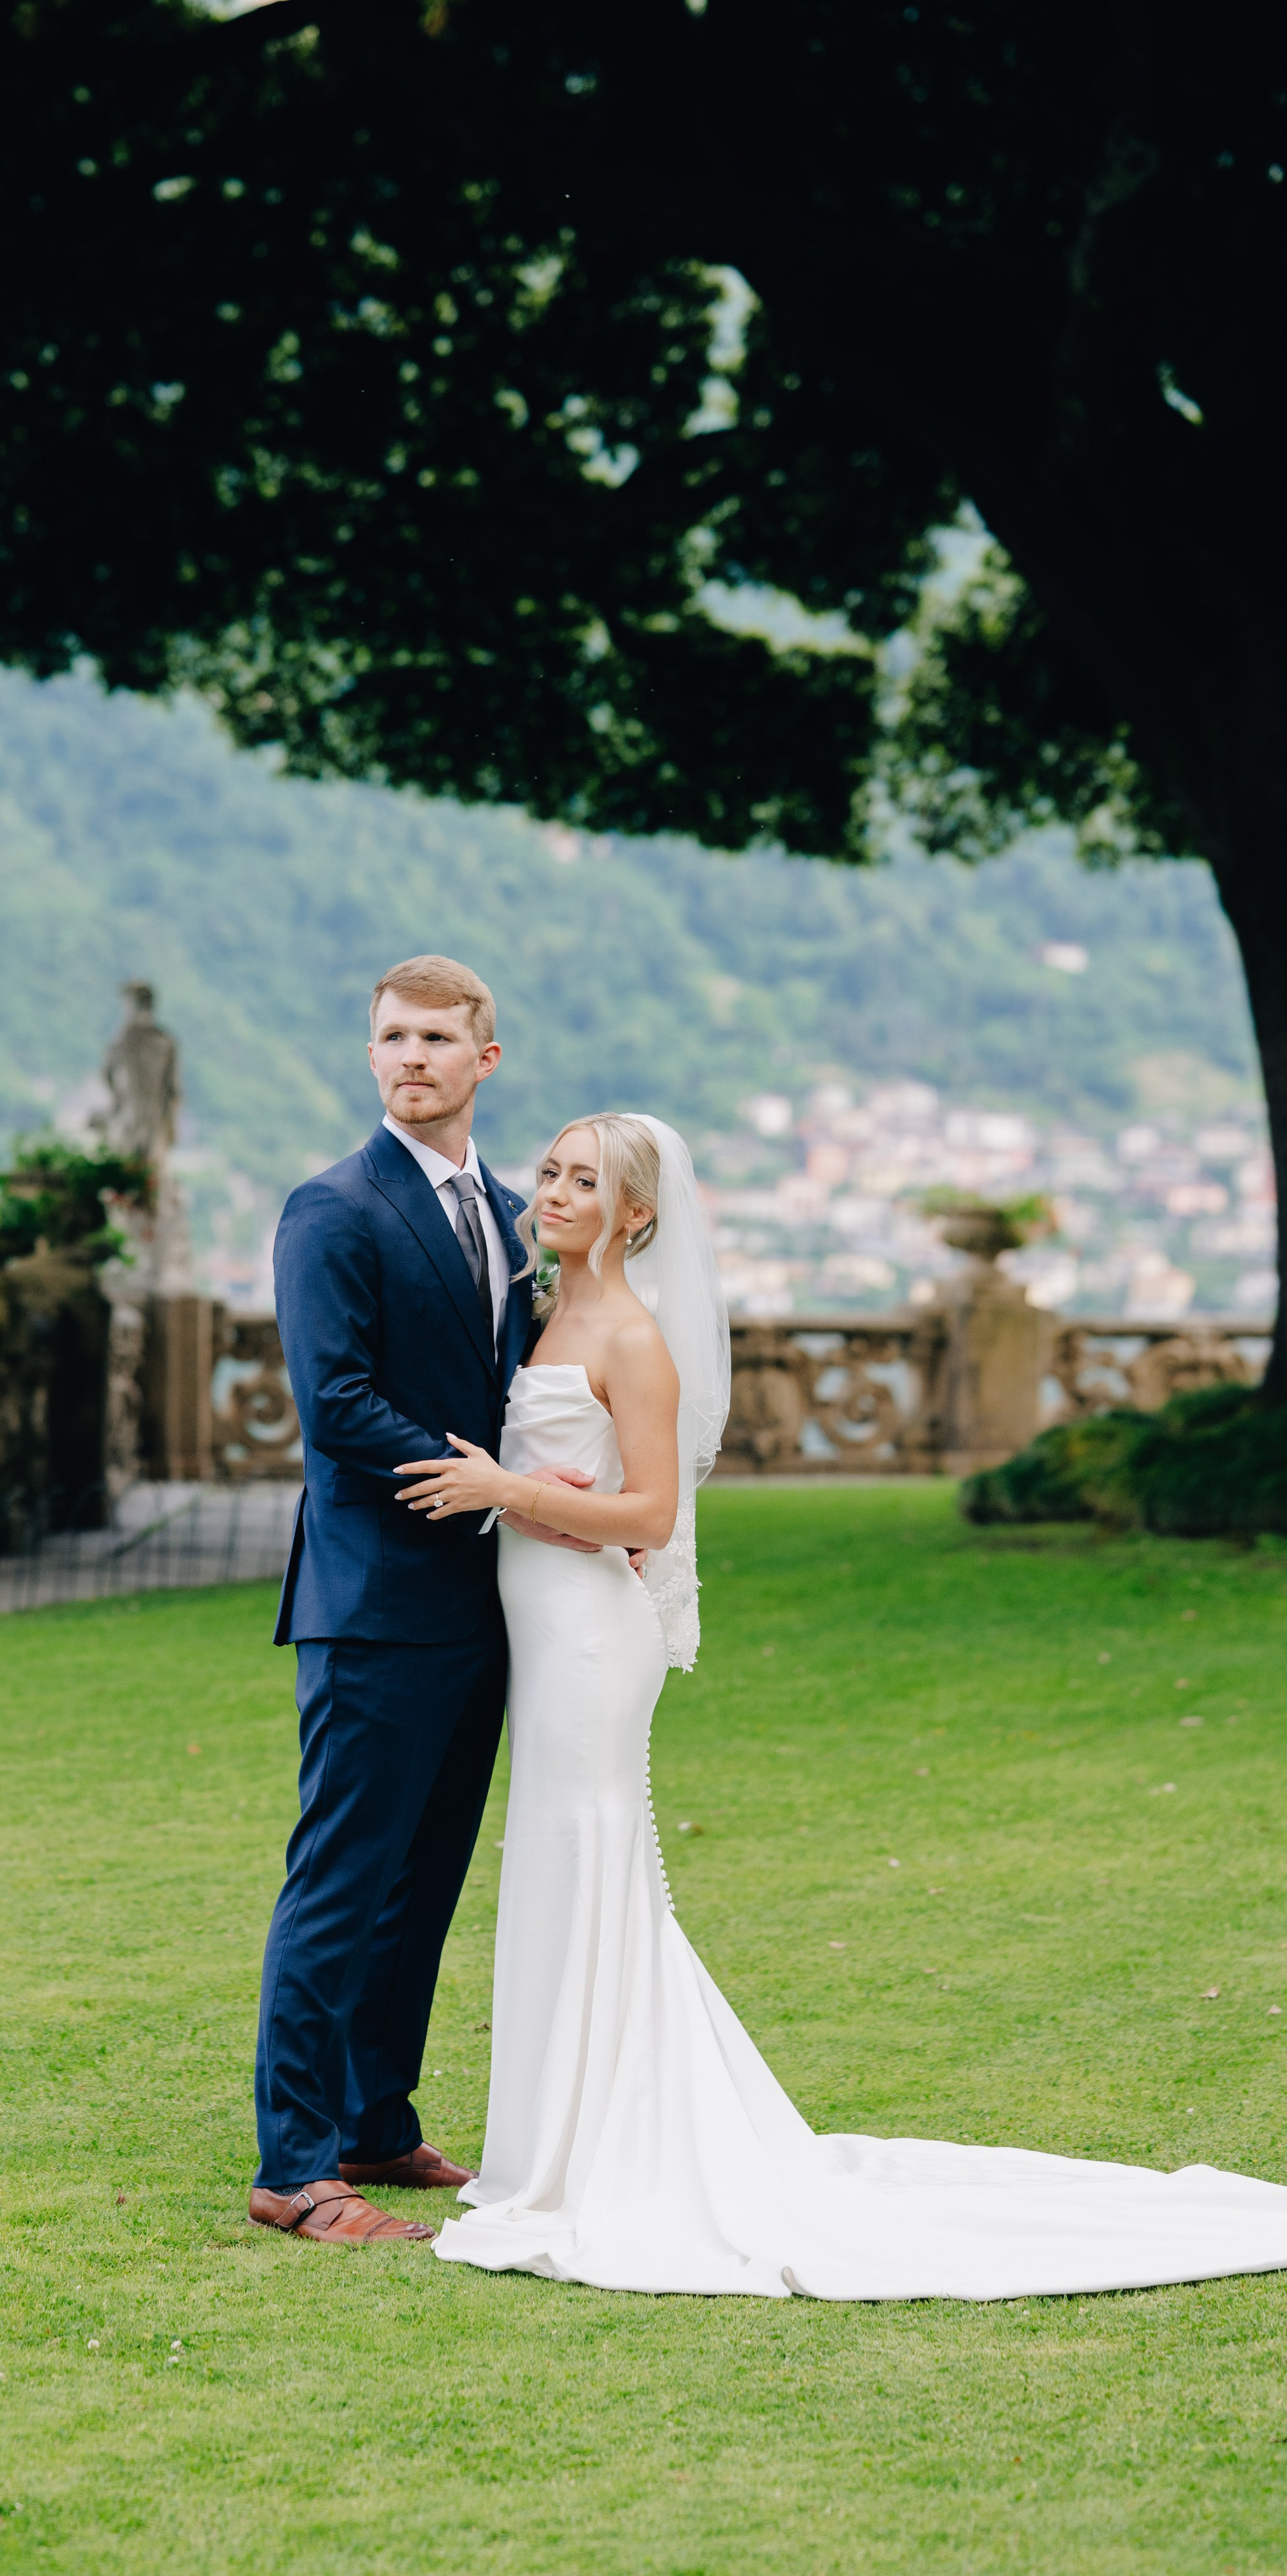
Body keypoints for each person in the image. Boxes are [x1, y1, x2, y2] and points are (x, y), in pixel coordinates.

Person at [400, 1113, 1287, 2298]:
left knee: (587, 1848)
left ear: (639, 1214)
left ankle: (598, 2151)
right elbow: (587, 1487)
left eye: (585, 1181)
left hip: (592, 1642)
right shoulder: (548, 1308)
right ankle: (550, 2143)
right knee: (558, 1857)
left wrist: (508, 1488)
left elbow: (653, 1517)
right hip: (548, 1623)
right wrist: (540, 1494)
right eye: (553, 1171)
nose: (554, 1191)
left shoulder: (632, 1336)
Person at [250, 957, 593, 2246]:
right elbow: (333, 1403)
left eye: (438, 1038)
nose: (411, 1057)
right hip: (375, 1599)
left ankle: (378, 2123)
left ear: (483, 1061)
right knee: (340, 1879)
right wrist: (495, 1485)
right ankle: (295, 2166)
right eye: (392, 1036)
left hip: (484, 1604)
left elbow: (514, 1383)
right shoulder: (331, 1209)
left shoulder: (510, 1215)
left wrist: (549, 1490)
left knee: (423, 1880)